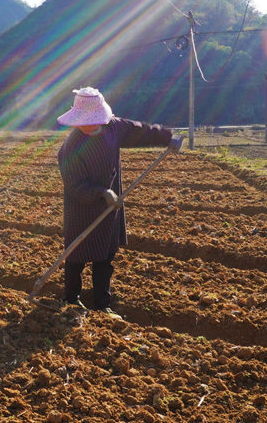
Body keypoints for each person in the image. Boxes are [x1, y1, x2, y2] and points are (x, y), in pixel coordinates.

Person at [56, 87, 182, 320]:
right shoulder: (71, 147)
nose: (88, 125)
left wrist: (167, 138)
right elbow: (74, 185)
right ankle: (71, 298)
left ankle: (102, 304)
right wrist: (102, 193)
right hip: (81, 207)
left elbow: (141, 131)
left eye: (92, 121)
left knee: (105, 255)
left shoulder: (114, 128)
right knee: (76, 254)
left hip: (110, 205)